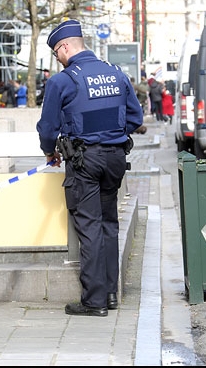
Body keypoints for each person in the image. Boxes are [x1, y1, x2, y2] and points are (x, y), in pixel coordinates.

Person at [37, 19, 143, 317]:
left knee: (90, 227)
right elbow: (135, 118)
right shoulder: (116, 73)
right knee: (109, 224)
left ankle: (94, 301)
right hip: (116, 159)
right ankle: (110, 294)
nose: (58, 59)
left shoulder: (63, 81)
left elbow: (47, 128)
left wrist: (49, 152)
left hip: (84, 161)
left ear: (66, 47)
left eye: (57, 52)